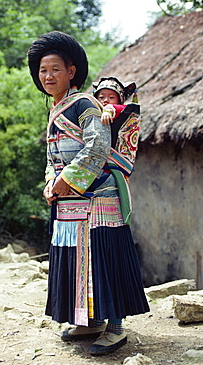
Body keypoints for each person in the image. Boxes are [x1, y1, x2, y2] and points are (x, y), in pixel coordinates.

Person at [27, 31, 149, 357]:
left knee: (102, 258)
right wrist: (51, 183)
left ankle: (115, 327)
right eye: (42, 70)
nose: (48, 76)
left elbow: (98, 144)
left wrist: (69, 178)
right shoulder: (56, 109)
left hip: (98, 198)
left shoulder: (85, 104)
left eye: (55, 69)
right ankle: (89, 320)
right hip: (69, 201)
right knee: (76, 260)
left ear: (71, 72)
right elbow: (52, 157)